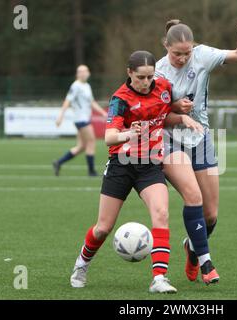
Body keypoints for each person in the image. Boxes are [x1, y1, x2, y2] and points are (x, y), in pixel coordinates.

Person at [69, 51, 203, 294]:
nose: (146, 82)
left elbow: (164, 115)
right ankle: (82, 264)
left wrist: (182, 118)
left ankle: (159, 278)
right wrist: (129, 134)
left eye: (150, 76)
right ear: (129, 73)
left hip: (150, 165)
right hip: (121, 164)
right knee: (103, 227)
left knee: (161, 213)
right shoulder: (120, 99)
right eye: (141, 77)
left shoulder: (162, 86)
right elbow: (109, 138)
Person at [155, 13, 237, 283]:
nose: (183, 58)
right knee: (193, 196)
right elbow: (152, 115)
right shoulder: (157, 71)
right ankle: (206, 262)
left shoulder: (203, 55)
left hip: (200, 138)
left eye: (187, 53)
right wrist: (175, 108)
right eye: (177, 54)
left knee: (211, 214)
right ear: (166, 46)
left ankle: (192, 247)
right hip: (170, 140)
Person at [53, 65, 108, 177]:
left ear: (88, 73)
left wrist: (102, 112)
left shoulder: (86, 86)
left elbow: (91, 102)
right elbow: (67, 101)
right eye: (80, 71)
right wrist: (60, 116)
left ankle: (58, 162)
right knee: (91, 141)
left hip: (83, 119)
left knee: (81, 146)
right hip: (81, 120)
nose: (83, 73)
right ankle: (91, 171)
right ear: (77, 74)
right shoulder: (76, 86)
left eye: (85, 71)